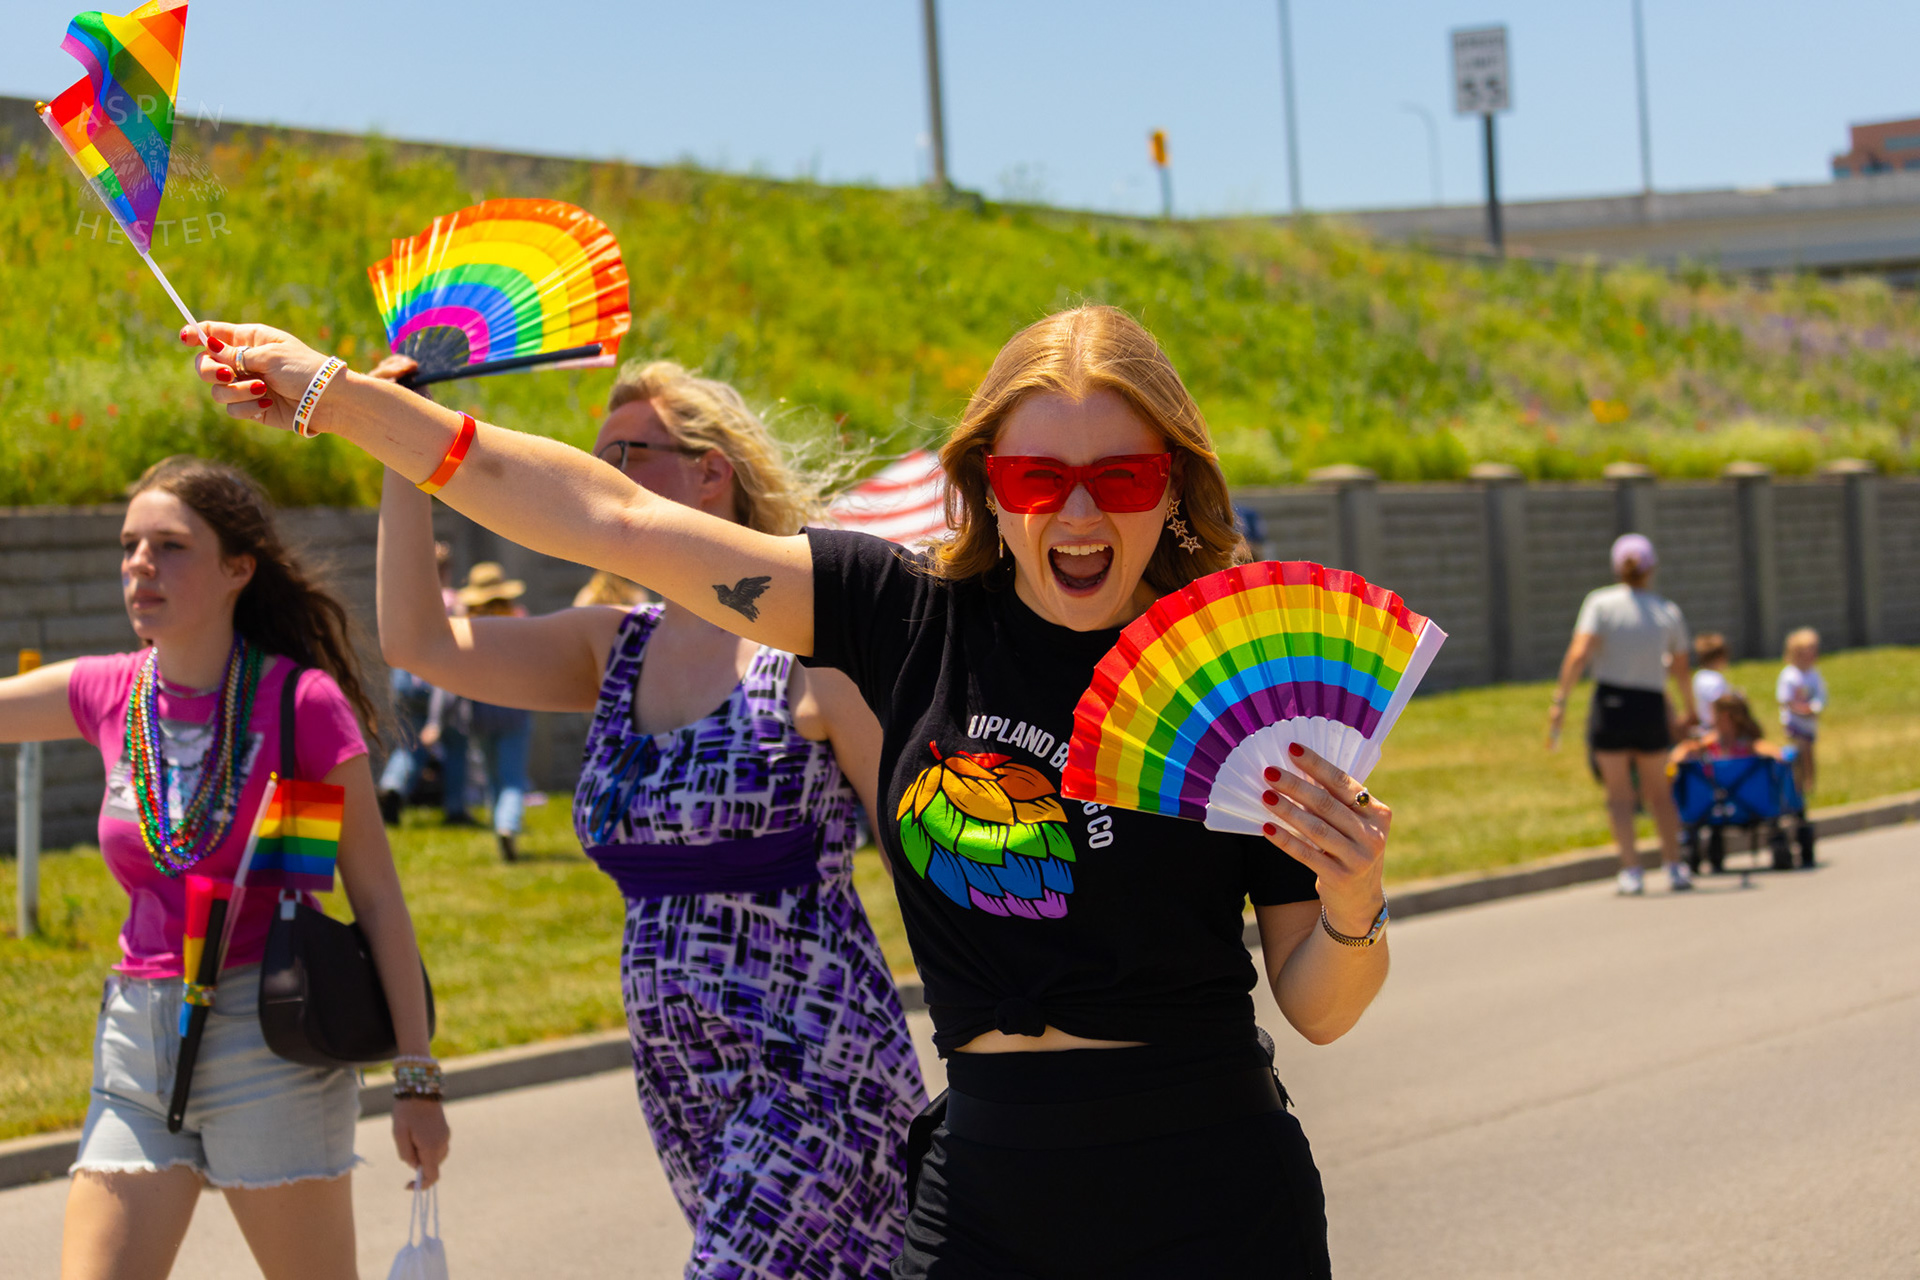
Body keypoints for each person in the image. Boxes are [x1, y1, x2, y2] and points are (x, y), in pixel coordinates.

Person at [186, 306, 1393, 1277]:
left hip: (1210, 1185)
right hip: (988, 1184)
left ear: (1174, 486)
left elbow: (1323, 1004)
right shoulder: (896, 614)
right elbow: (608, 510)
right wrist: (338, 395)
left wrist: (1351, 906)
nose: (1076, 510)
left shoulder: (1245, 673)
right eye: (1035, 474)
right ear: (987, 482)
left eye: (1120, 475)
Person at [370, 354, 925, 1278]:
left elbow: (917, 849)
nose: (603, 474)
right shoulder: (609, 651)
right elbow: (416, 642)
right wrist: (396, 438)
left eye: (631, 451)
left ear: (712, 472)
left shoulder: (807, 651)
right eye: (597, 454)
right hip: (681, 1074)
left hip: (819, 1062)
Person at [0, 456, 447, 1280]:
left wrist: (415, 1077)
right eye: (130, 545)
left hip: (270, 1035)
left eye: (170, 546)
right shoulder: (110, 692)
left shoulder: (300, 702)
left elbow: (376, 896)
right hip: (137, 1040)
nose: (140, 565)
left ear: (238, 568)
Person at [1549, 532, 1697, 895]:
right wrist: (1690, 710)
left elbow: (1579, 652)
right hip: (1649, 705)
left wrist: (1560, 701)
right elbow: (1680, 668)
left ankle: (1631, 870)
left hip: (1611, 704)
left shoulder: (1600, 603)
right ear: (1652, 569)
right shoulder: (1667, 610)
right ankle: (1674, 865)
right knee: (1658, 793)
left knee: (1619, 796)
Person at [432, 562, 535, 861]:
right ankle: (507, 825)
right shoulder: (521, 626)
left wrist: (437, 720)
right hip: (515, 712)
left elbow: (450, 680)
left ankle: (499, 823)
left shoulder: (467, 631)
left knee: (492, 777)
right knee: (513, 778)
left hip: (479, 714)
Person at [378, 540, 471, 826]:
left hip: (406, 681)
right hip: (441, 682)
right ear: (445, 571)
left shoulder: (405, 600)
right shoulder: (454, 603)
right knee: (456, 744)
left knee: (410, 746)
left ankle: (393, 787)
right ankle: (455, 808)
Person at [1777, 627, 1826, 802]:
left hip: (1809, 723)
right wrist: (1800, 709)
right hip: (1794, 723)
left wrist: (1814, 708)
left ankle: (1810, 785)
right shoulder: (1789, 675)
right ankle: (1798, 786)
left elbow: (1821, 695)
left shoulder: (1814, 674)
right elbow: (1785, 699)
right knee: (1800, 753)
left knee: (1809, 755)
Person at [1670, 691, 1781, 765]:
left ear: (1724, 716)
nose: (1711, 719)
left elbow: (1775, 754)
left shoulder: (1748, 744)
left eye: (1713, 714)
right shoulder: (1713, 742)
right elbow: (1682, 752)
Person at [1691, 632, 1732, 734]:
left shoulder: (1698, 676)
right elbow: (1720, 707)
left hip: (1703, 726)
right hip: (1716, 729)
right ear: (1720, 657)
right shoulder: (1716, 680)